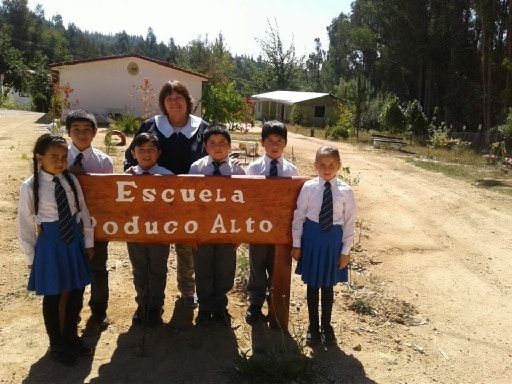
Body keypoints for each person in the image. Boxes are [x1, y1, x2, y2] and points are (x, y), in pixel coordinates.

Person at [124, 80, 209, 309]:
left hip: (190, 200)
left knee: (187, 247)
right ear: (163, 102)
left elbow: (213, 155)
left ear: (187, 101)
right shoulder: (150, 126)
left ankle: (188, 289)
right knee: (154, 249)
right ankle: (150, 298)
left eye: (179, 97)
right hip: (153, 202)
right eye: (169, 98)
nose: (174, 102)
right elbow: (131, 157)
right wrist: (132, 172)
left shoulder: (202, 127)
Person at [17, 133, 95, 366]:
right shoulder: (30, 186)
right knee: (52, 294)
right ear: (40, 157)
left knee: (76, 290)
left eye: (63, 157)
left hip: (73, 243)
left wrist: (88, 242)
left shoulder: (70, 181)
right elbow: (25, 223)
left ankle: (71, 335)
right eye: (54, 157)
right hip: (50, 246)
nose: (60, 162)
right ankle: (56, 342)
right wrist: (31, 256)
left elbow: (83, 213)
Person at [291, 145, 357, 345]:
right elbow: (299, 216)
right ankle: (313, 326)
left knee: (328, 286)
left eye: (331, 165)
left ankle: (326, 325)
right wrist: (297, 244)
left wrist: (345, 251)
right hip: (312, 239)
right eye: (322, 164)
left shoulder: (346, 191)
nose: (327, 169)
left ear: (339, 166)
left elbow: (349, 222)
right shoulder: (309, 188)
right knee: (312, 285)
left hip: (332, 242)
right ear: (315, 165)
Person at [188, 125, 245, 326]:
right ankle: (204, 308)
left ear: (229, 146)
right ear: (205, 146)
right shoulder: (196, 168)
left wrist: (239, 233)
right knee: (203, 270)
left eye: (222, 143)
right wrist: (192, 233)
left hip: (228, 230)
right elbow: (190, 202)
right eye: (212, 143)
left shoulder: (238, 169)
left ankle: (220, 307)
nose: (217, 147)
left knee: (225, 270)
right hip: (202, 230)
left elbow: (243, 204)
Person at [244, 120, 299, 323]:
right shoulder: (253, 168)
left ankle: (275, 302)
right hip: (258, 228)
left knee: (277, 266)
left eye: (279, 141)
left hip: (281, 230)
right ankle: (255, 303)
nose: (274, 145)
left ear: (285, 143)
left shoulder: (292, 171)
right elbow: (247, 199)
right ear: (262, 143)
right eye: (270, 141)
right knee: (256, 264)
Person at [65, 109, 113, 328]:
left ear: (95, 132)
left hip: (96, 223)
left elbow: (106, 195)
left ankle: (98, 309)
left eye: (87, 130)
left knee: (98, 268)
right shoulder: (58, 158)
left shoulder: (104, 162)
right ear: (68, 132)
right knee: (71, 267)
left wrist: (86, 180)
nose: (82, 134)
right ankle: (71, 311)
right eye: (76, 130)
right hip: (67, 224)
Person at [126, 132, 174, 326]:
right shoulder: (127, 177)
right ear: (133, 153)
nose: (146, 155)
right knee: (139, 269)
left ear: (159, 153)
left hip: (160, 233)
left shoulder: (168, 176)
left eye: (151, 150)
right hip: (135, 232)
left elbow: (173, 205)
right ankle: (142, 304)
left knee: (158, 269)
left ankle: (156, 306)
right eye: (142, 150)